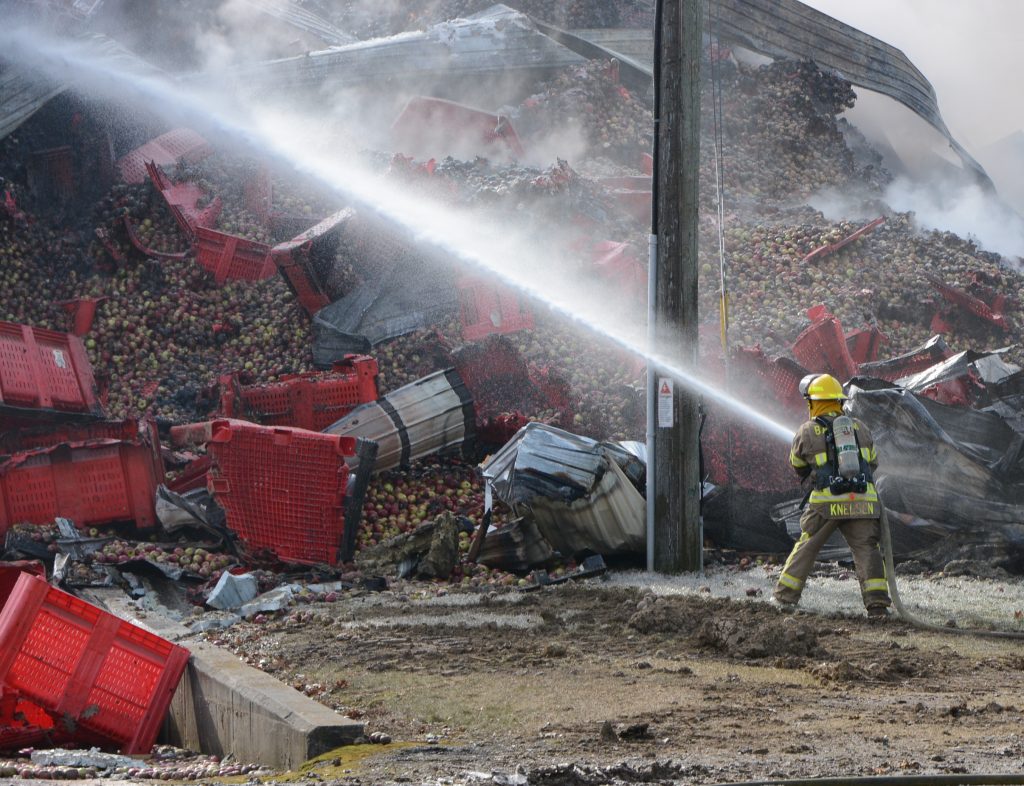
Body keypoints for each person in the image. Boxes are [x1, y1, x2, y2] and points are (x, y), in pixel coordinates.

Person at [772, 373, 892, 618]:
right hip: (863, 501)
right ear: (838, 401)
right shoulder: (860, 428)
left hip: (827, 503)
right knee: (867, 549)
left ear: (813, 403)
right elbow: (872, 463)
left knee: (807, 546)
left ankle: (784, 597)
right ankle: (878, 605)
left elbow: (797, 465)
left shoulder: (807, 430)